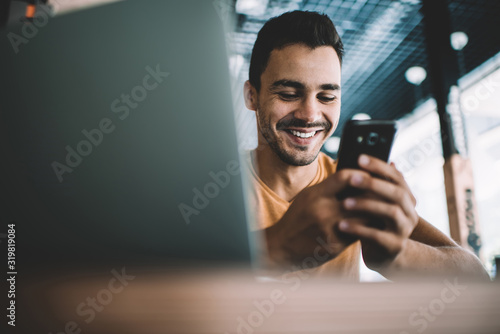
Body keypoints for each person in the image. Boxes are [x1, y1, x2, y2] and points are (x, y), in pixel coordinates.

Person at [242, 10, 488, 281]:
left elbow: (475, 278)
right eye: (289, 94)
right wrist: (277, 248)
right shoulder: (213, 184)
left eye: (326, 96)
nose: (310, 114)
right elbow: (186, 268)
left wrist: (397, 255)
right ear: (252, 96)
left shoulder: (351, 185)